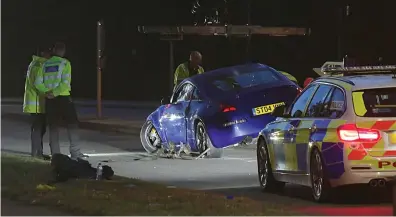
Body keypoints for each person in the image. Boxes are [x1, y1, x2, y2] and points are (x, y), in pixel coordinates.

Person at [34, 42, 86, 160]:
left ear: (53, 50)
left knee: (53, 126)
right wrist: (55, 93)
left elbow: (37, 83)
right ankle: (75, 153)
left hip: (50, 100)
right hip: (63, 98)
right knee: (72, 124)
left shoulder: (45, 64)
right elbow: (65, 83)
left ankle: (56, 155)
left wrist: (47, 92)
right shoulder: (65, 63)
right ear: (63, 51)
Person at [23, 46, 52, 159]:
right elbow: (38, 83)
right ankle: (36, 154)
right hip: (37, 103)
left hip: (34, 102)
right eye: (48, 53)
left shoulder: (33, 63)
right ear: (43, 53)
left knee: (39, 128)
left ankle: (38, 152)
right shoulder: (40, 65)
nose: (50, 55)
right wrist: (48, 93)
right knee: (38, 128)